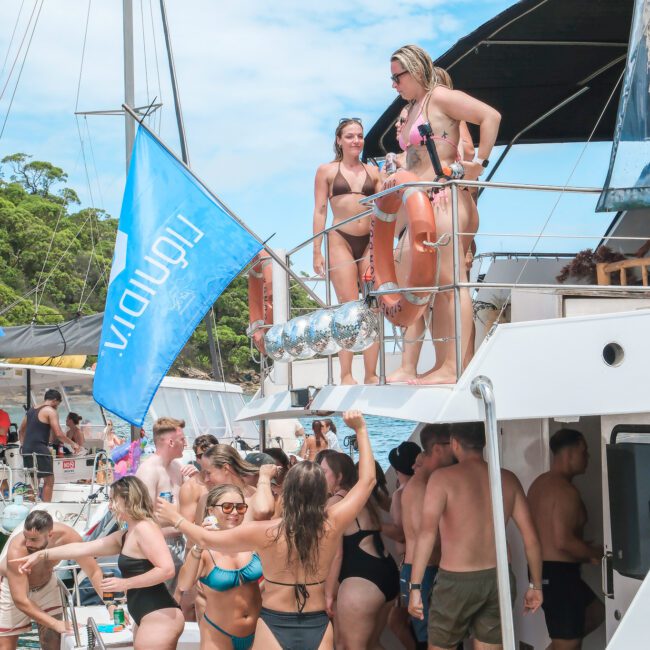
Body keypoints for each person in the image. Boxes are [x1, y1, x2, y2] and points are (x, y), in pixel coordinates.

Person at [156, 410, 376, 650]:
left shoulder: (267, 531)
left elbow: (206, 538)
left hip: (275, 623)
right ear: (323, 492)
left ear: (285, 492)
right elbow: (367, 481)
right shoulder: (331, 524)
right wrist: (361, 430)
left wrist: (176, 519)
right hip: (317, 624)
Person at [388, 45, 501, 384]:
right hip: (424, 202)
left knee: (452, 283)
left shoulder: (441, 97)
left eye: (398, 77)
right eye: (391, 79)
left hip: (447, 198)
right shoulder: (413, 108)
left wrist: (477, 164)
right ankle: (442, 365)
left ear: (415, 69)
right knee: (437, 288)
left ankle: (454, 366)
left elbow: (490, 116)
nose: (394, 85)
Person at [408, 421, 543, 649]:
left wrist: (415, 588)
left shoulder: (442, 479)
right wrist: (536, 585)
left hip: (456, 581)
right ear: (484, 441)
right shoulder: (508, 479)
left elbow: (426, 536)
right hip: (497, 578)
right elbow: (531, 539)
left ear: (454, 443)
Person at [13, 478, 184, 650]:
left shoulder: (145, 528)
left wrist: (125, 583)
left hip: (160, 613)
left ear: (127, 499)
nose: (110, 506)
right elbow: (82, 549)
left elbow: (167, 569)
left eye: (112, 500)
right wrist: (42, 555)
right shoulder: (125, 535)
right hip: (145, 614)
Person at [313, 118, 381, 386]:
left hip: (369, 241)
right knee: (348, 308)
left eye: (359, 136)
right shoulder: (327, 171)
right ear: (339, 140)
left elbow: (386, 207)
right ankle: (346, 373)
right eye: (350, 136)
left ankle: (372, 373)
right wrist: (316, 250)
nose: (356, 141)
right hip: (339, 238)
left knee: (373, 306)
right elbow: (319, 210)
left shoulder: (374, 173)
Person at [527, 429, 604, 649]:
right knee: (569, 644)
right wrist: (595, 553)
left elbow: (552, 537)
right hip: (556, 574)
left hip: (549, 571)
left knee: (594, 614)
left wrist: (583, 551)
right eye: (585, 451)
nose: (587, 457)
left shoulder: (540, 483)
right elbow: (563, 542)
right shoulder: (564, 491)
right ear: (571, 452)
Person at [0, 510, 111, 650]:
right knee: (6, 647)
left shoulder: (68, 537)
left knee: (53, 643)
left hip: (46, 586)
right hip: (13, 589)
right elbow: (20, 600)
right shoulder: (18, 548)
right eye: (26, 537)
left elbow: (93, 571)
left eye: (34, 539)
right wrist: (55, 623)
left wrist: (110, 603)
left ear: (50, 535)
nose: (28, 543)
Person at [323, 452, 400, 649]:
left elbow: (336, 554)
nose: (319, 477)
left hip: (362, 582)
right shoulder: (362, 498)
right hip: (387, 574)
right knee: (373, 644)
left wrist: (329, 594)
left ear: (339, 477)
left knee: (345, 646)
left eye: (323, 472)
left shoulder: (335, 504)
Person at [178, 484, 262, 650]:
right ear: (210, 511)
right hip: (218, 635)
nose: (234, 512)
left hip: (258, 631)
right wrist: (200, 544)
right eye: (227, 507)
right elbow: (184, 584)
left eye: (240, 507)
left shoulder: (252, 542)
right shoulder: (203, 551)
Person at [401, 425, 454, 648]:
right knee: (432, 642)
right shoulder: (421, 488)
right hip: (423, 573)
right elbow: (429, 539)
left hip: (420, 572)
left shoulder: (426, 482)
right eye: (452, 444)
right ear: (439, 449)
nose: (455, 450)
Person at [135, 417, 197, 590]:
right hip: (158, 547)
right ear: (171, 442)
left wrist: (196, 479)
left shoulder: (177, 467)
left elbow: (194, 501)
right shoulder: (149, 471)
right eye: (182, 439)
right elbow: (142, 518)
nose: (185, 443)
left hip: (179, 543)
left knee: (178, 600)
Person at [177, 433, 218, 621]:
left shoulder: (229, 481)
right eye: (200, 456)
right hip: (197, 551)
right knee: (189, 605)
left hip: (223, 550)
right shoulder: (192, 488)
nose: (204, 458)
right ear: (197, 458)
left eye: (209, 453)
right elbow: (187, 526)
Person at [19, 389, 81, 502]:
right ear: (55, 400)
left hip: (27, 449)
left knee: (33, 481)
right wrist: (73, 444)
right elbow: (59, 434)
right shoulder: (50, 411)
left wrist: (23, 446)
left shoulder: (32, 410)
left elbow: (21, 431)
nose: (57, 406)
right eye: (58, 404)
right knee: (49, 480)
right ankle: (45, 507)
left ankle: (32, 506)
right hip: (40, 448)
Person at [198, 444, 276, 523]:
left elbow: (263, 511)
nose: (206, 480)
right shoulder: (206, 500)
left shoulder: (256, 498)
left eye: (208, 473)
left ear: (225, 468)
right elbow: (197, 534)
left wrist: (264, 476)